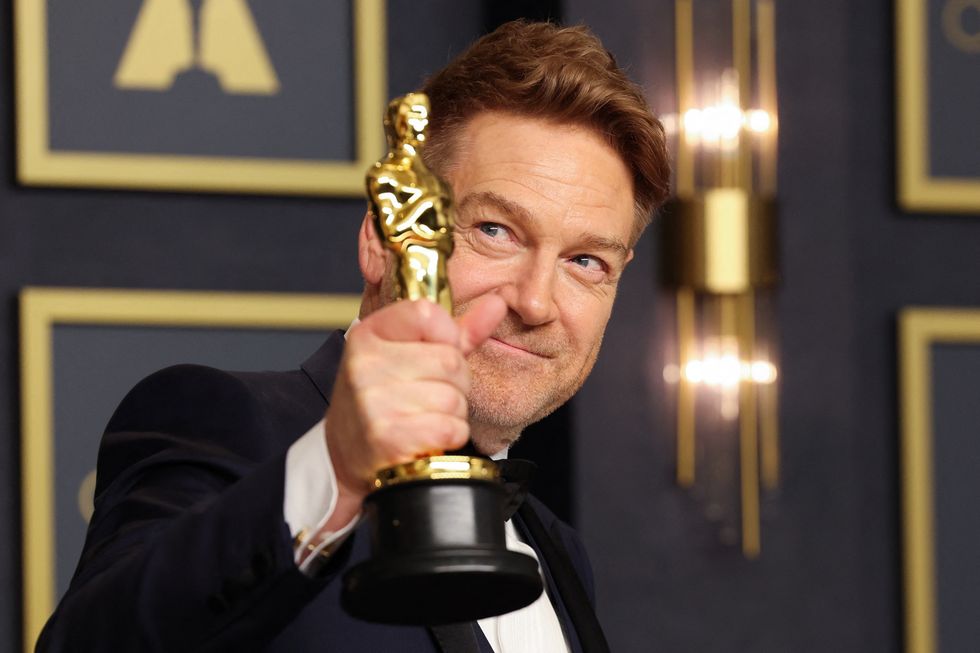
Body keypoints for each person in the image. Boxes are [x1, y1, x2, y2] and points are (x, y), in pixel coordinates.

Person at [36, 20, 670, 653]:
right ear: (381, 238)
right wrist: (335, 471)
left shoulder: (558, 549)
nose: (535, 301)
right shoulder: (223, 423)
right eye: (496, 230)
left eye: (586, 262)